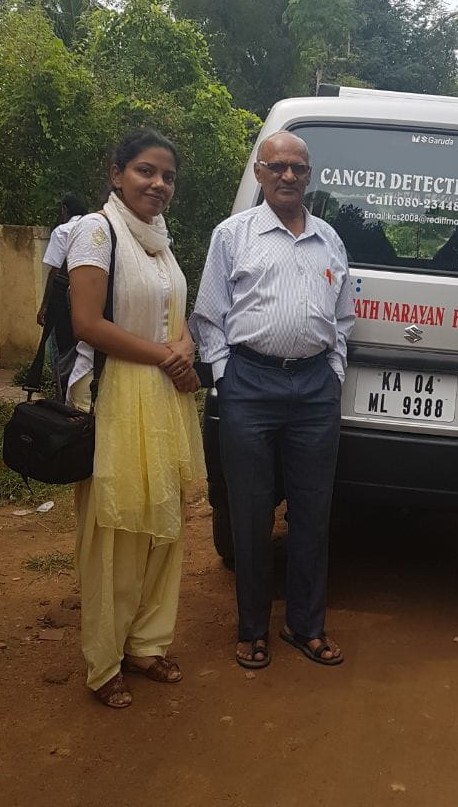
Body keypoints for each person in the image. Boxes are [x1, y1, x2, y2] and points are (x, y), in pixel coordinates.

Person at [190, 131, 354, 669]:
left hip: (313, 390)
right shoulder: (232, 235)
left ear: (310, 176)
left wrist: (332, 370)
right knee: (251, 511)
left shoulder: (330, 238)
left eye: (298, 168)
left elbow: (343, 317)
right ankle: (253, 629)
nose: (288, 176)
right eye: (276, 166)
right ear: (259, 174)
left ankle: (305, 627)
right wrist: (225, 376)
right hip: (249, 386)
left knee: (313, 512)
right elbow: (209, 315)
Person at [66, 128, 205, 709]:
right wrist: (168, 358)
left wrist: (187, 349)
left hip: (164, 399)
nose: (159, 184)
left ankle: (146, 642)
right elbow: (88, 324)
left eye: (167, 176)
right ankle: (104, 661)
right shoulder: (96, 232)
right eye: (146, 171)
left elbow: (176, 316)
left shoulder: (161, 242)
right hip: (117, 397)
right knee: (116, 531)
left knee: (163, 529)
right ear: (116, 173)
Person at [37, 192, 88, 398]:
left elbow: (55, 272)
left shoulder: (63, 231)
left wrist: (44, 307)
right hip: (91, 301)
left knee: (61, 353)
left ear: (65, 209)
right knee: (84, 351)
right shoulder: (96, 228)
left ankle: (62, 402)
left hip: (63, 301)